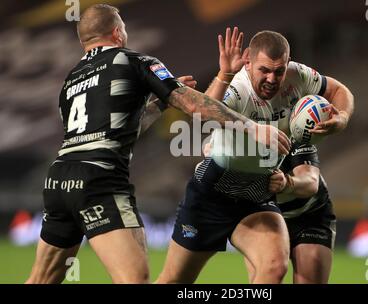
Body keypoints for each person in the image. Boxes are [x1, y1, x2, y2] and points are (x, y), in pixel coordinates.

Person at [26, 6, 290, 284]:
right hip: (99, 180)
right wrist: (250, 126)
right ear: (117, 32)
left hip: (59, 180)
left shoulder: (71, 80)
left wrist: (160, 104)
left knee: (41, 280)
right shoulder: (134, 61)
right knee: (135, 279)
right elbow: (190, 104)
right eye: (124, 28)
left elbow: (114, 132)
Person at [156, 28, 353, 283]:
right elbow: (201, 114)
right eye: (264, 70)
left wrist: (343, 118)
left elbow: (339, 90)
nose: (272, 78)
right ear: (248, 62)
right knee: (174, 280)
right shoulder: (238, 88)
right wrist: (225, 74)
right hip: (213, 191)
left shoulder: (299, 76)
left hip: (256, 193)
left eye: (279, 70)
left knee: (273, 267)